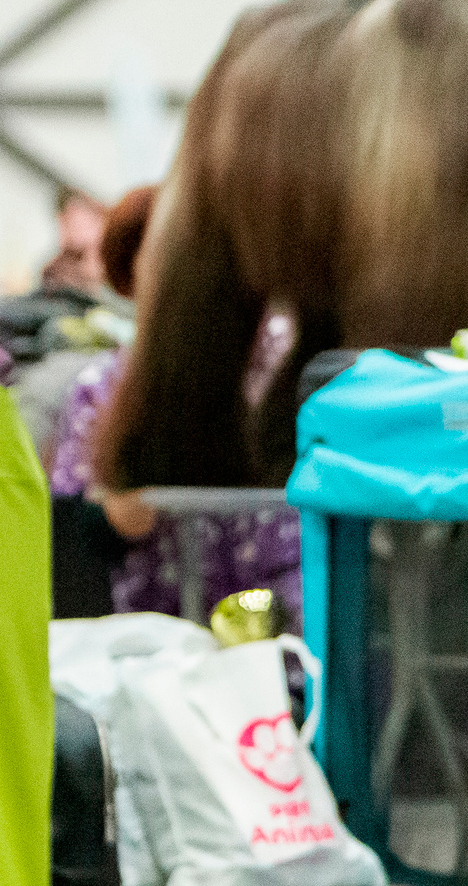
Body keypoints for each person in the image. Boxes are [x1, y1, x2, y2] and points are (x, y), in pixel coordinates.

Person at [47, 187, 302, 627]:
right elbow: (84, 533)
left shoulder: (283, 359)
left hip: (285, 622)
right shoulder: (104, 386)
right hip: (162, 634)